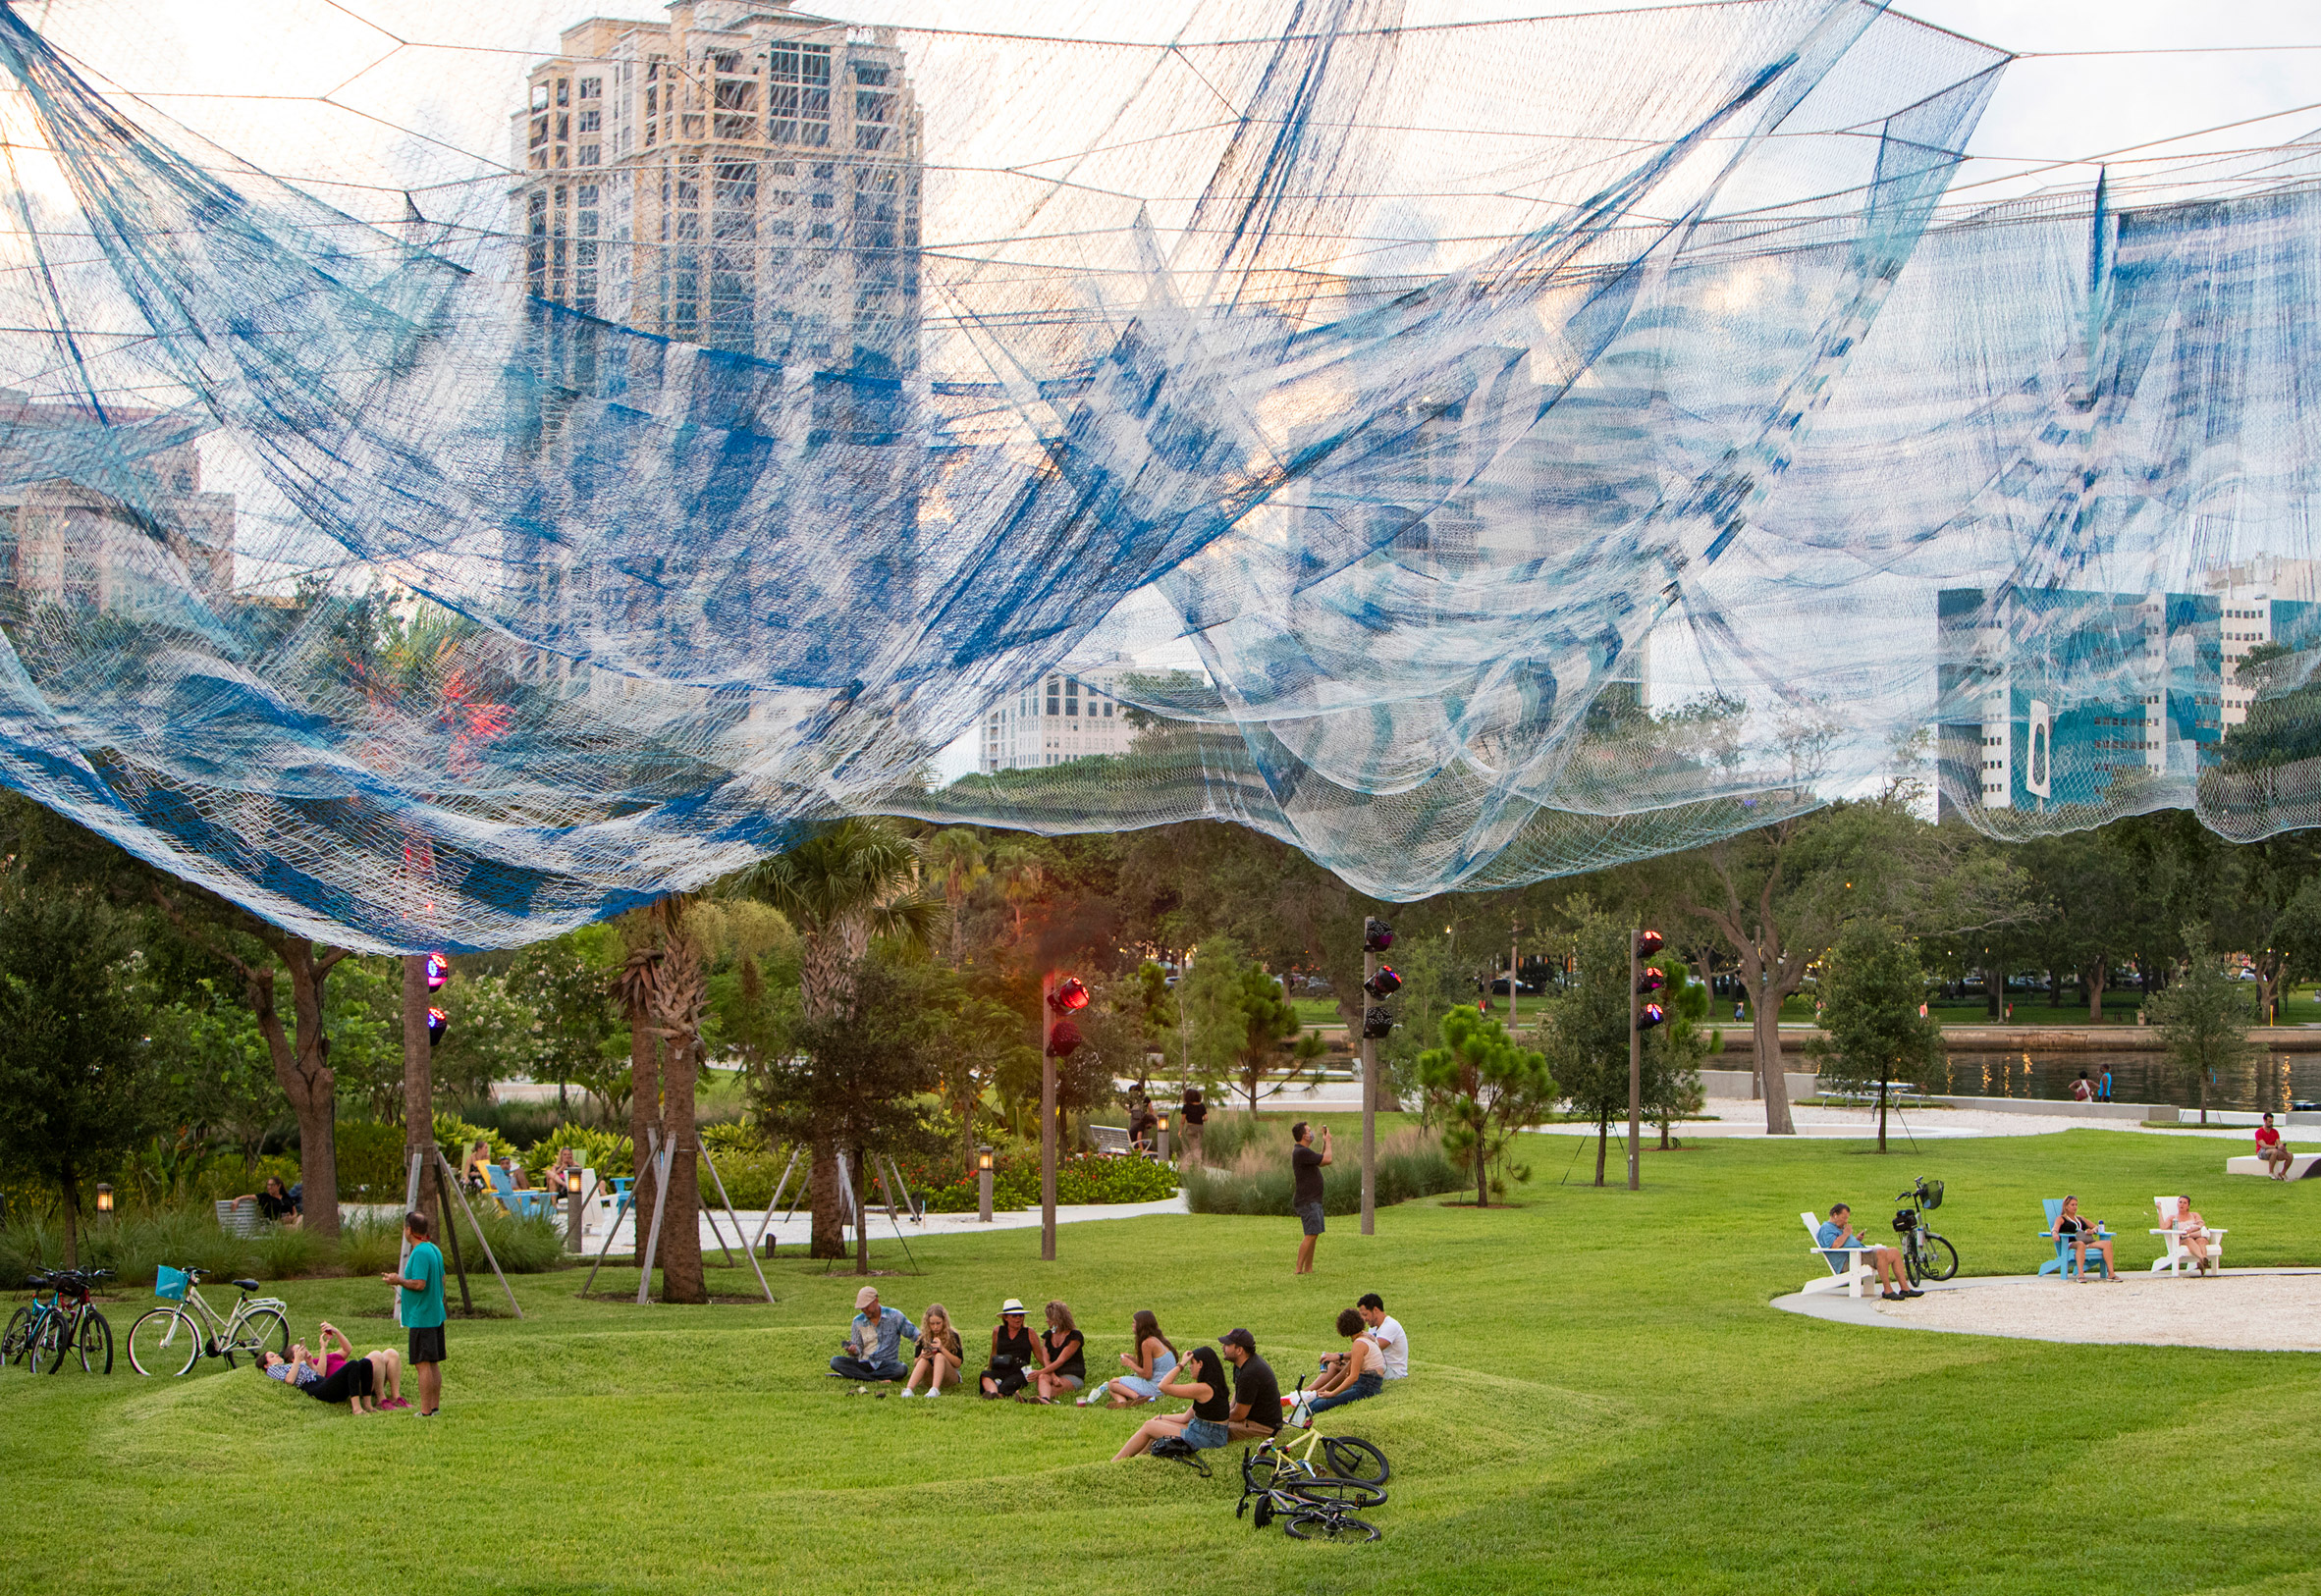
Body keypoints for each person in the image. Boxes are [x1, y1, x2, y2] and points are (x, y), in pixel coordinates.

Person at [1110, 1344, 1232, 1461]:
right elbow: (1185, 1417)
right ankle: (1137, 1458)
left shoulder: (1203, 1389)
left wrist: (1181, 1364)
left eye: (1192, 1363)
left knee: (1149, 1426)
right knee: (1157, 1425)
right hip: (1205, 1433)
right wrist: (1160, 1417)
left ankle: (1115, 1462)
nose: (1190, 1367)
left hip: (1206, 1439)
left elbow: (1163, 1386)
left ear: (1200, 1364)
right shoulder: (1212, 1387)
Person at [381, 1210, 446, 1416]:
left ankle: (425, 1410)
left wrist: (398, 1280)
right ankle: (434, 1407)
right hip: (434, 1313)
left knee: (422, 1364)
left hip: (422, 1318)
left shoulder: (419, 1253)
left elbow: (419, 1283)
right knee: (433, 1362)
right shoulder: (434, 1250)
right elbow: (439, 1281)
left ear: (409, 1230)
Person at [1816, 1203, 1920, 1302]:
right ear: (1835, 1215)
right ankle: (1888, 1291)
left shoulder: (1839, 1227)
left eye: (1847, 1218)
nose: (1846, 1221)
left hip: (1858, 1255)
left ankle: (1905, 1289)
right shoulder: (1826, 1228)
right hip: (1848, 1261)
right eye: (1844, 1218)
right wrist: (1846, 1234)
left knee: (1894, 1252)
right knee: (1881, 1253)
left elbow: (1844, 1243)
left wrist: (1856, 1239)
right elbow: (1834, 1246)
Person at [1079, 1309, 1177, 1408]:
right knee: (1113, 1389)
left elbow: (1147, 1374)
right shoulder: (1157, 1339)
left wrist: (1130, 1364)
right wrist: (1132, 1359)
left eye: (1134, 1322)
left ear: (1141, 1325)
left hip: (1156, 1388)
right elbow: (1152, 1365)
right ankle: (1123, 1404)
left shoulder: (1147, 1343)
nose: (1132, 1325)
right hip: (1164, 1386)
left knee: (1113, 1383)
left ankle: (1139, 1398)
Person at [1301, 1309, 1385, 1420]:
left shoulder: (1359, 1343)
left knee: (1320, 1403)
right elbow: (1358, 1356)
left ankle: (1293, 1419)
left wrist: (1332, 1393)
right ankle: (1296, 1413)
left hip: (1365, 1387)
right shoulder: (1366, 1337)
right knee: (1317, 1400)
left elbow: (1353, 1377)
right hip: (1371, 1383)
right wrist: (1340, 1357)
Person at [257, 1344, 382, 1413]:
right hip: (315, 1388)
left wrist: (310, 1362)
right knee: (353, 1364)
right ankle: (356, 1408)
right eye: (272, 1356)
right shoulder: (273, 1369)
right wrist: (298, 1361)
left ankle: (367, 1405)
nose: (277, 1356)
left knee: (365, 1363)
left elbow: (319, 1374)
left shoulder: (291, 1365)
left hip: (324, 1382)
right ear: (266, 1365)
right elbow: (289, 1380)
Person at [313, 1320, 408, 1408]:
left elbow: (348, 1349)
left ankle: (395, 1396)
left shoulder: (330, 1357)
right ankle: (381, 1399)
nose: (305, 1351)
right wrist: (323, 1349)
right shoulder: (310, 1364)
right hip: (356, 1383)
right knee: (376, 1355)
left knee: (391, 1353)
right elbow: (321, 1372)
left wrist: (336, 1331)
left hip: (370, 1378)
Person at [832, 1286, 917, 1382]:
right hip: (865, 1362)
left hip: (887, 1363)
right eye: (862, 1308)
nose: (864, 1310)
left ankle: (861, 1376)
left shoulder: (894, 1316)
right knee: (835, 1361)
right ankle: (875, 1379)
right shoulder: (857, 1322)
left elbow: (914, 1334)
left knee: (901, 1369)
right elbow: (858, 1350)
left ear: (876, 1301)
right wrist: (853, 1351)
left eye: (866, 1307)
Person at [1321, 1293, 1407, 1383]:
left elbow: (1369, 1351)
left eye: (1365, 1314)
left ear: (1375, 1310)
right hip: (1378, 1365)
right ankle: (1314, 1391)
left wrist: (1340, 1356)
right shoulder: (1372, 1328)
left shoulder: (1390, 1326)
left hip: (1393, 1372)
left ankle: (1315, 1392)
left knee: (1343, 1365)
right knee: (1338, 1364)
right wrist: (1340, 1358)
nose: (1364, 1319)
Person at [1217, 1327, 1283, 1442]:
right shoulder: (1240, 1364)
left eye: (1227, 1345)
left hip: (1265, 1427)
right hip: (1251, 1420)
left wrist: (1217, 1418)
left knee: (1213, 1429)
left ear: (1239, 1350)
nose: (1223, 1347)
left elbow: (1239, 1415)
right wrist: (1226, 1411)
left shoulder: (1250, 1373)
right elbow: (1238, 1394)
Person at [1024, 1300, 1086, 1404]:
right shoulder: (1047, 1336)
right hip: (1053, 1374)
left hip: (1071, 1375)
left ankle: (1039, 1399)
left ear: (1058, 1319)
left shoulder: (1075, 1337)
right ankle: (1044, 1400)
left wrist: (1039, 1372)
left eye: (1049, 1318)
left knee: (1052, 1389)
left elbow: (1061, 1360)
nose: (1046, 1320)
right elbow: (1046, 1360)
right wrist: (1052, 1376)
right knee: (1043, 1377)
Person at [1291, 1121, 1331, 1275]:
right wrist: (1329, 1142)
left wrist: (1324, 1143)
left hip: (1313, 1199)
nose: (1311, 1132)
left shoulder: (1304, 1152)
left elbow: (1320, 1160)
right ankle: (1298, 1269)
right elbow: (1328, 1159)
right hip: (1307, 1201)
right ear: (1304, 1135)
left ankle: (1308, 1268)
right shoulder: (1300, 1152)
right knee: (1311, 1234)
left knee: (1314, 1234)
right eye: (1309, 1130)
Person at [899, 1303, 961, 1398]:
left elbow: (958, 1363)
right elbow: (915, 1363)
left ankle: (935, 1390)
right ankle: (909, 1389)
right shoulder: (923, 1337)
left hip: (949, 1375)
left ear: (944, 1322)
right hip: (929, 1375)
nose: (935, 1327)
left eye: (938, 1323)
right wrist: (922, 1355)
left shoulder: (953, 1336)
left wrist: (942, 1349)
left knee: (939, 1357)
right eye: (932, 1324)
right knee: (924, 1359)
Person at [977, 1299, 1037, 1398]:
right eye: (1014, 1316)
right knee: (985, 1375)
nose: (1018, 1318)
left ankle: (1000, 1394)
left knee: (1011, 1382)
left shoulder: (1029, 1332)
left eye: (1021, 1315)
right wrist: (990, 1367)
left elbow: (1039, 1354)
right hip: (1001, 1367)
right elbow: (994, 1352)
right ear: (1006, 1317)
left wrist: (1047, 1370)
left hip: (1019, 1369)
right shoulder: (997, 1331)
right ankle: (992, 1393)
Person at [2052, 1195, 2117, 1282]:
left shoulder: (2080, 1218)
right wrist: (2055, 1234)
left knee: (2107, 1243)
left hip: (2086, 1242)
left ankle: (2111, 1274)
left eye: (2076, 1205)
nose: (2075, 1207)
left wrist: (2092, 1231)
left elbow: (2097, 1227)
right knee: (2080, 1244)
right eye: (2072, 1205)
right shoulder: (2061, 1219)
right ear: (2066, 1207)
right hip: (2071, 1244)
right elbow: (2055, 1228)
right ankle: (2081, 1274)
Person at [2167, 1195, 2214, 1273]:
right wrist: (2160, 1210)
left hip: (2197, 1236)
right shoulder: (2173, 1218)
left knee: (2202, 1240)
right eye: (2180, 1202)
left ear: (2188, 1206)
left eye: (2184, 1203)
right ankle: (2203, 1258)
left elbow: (2201, 1223)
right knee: (2189, 1240)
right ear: (2177, 1204)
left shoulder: (2195, 1215)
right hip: (2183, 1239)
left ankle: (2203, 1260)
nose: (2182, 1204)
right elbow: (2163, 1227)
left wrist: (2194, 1228)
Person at [233, 1175, 300, 1227]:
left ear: (279, 1186)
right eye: (268, 1185)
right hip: (275, 1224)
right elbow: (250, 1196)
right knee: (291, 1228)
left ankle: (295, 1228)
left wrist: (291, 1218)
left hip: (290, 1221)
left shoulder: (286, 1197)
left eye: (272, 1185)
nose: (269, 1187)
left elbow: (295, 1213)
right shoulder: (265, 1197)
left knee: (302, 1217)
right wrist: (238, 1199)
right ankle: (296, 1230)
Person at [2255, 1113, 2294, 1180]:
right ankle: (2271, 1172)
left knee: (2290, 1155)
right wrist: (2276, 1147)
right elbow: (2264, 1145)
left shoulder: (2275, 1132)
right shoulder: (2259, 1132)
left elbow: (2278, 1143)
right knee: (2274, 1151)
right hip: (2262, 1151)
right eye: (2269, 1122)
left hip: (2273, 1150)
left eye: (2272, 1122)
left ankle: (2282, 1174)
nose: (2271, 1123)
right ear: (2265, 1121)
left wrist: (2282, 1147)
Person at [1180, 1089, 1207, 1166]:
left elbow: (1182, 1121)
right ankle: (1196, 1162)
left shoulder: (1186, 1107)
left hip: (1191, 1127)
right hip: (1200, 1127)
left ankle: (1195, 1163)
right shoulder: (1201, 1106)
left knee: (1193, 1146)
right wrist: (1200, 1119)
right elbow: (1206, 1118)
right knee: (1198, 1145)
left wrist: (1180, 1130)